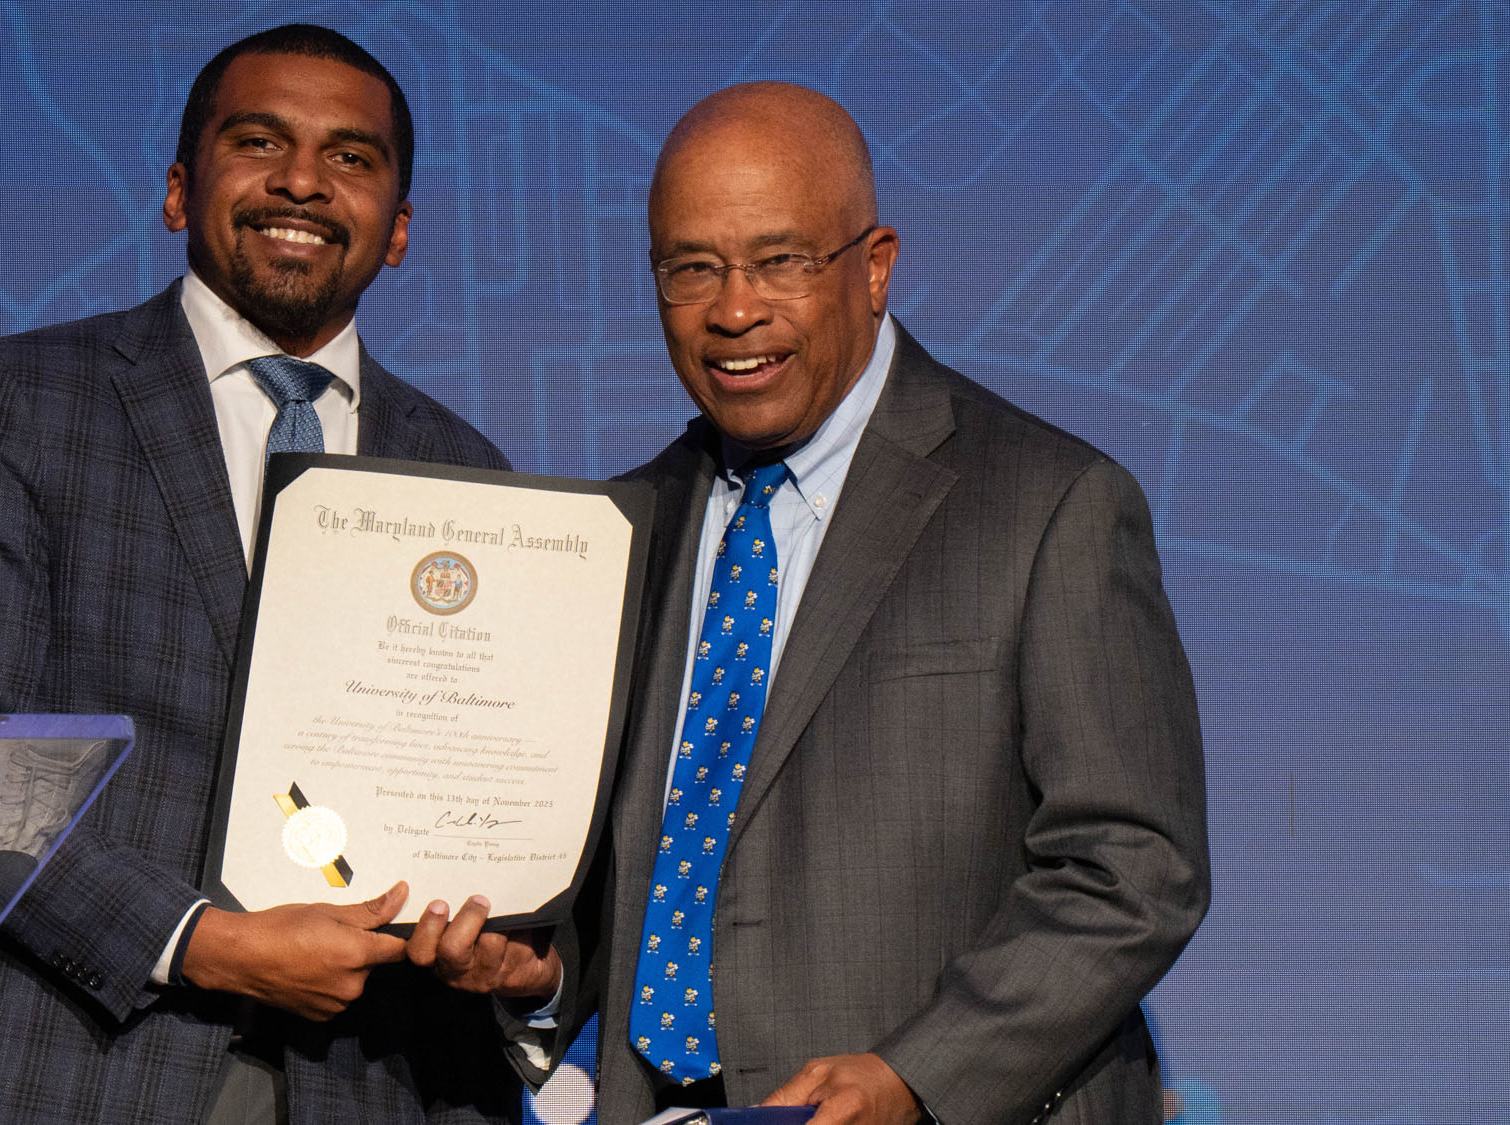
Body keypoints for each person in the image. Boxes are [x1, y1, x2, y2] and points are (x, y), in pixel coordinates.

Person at [413, 82, 1209, 1125]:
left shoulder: (1046, 504)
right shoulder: (619, 529)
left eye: (780, 260)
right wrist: (545, 978)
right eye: (689, 268)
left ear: (873, 266)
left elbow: (1132, 867)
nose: (733, 309)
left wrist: (918, 1077)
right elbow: (633, 888)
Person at [0, 25, 519, 1125]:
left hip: (384, 1082)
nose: (302, 179)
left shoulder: (472, 477)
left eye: (350, 157)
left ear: (398, 230)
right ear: (179, 191)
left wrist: (513, 940)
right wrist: (197, 943)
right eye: (257, 141)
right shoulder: (19, 402)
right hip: (70, 1072)